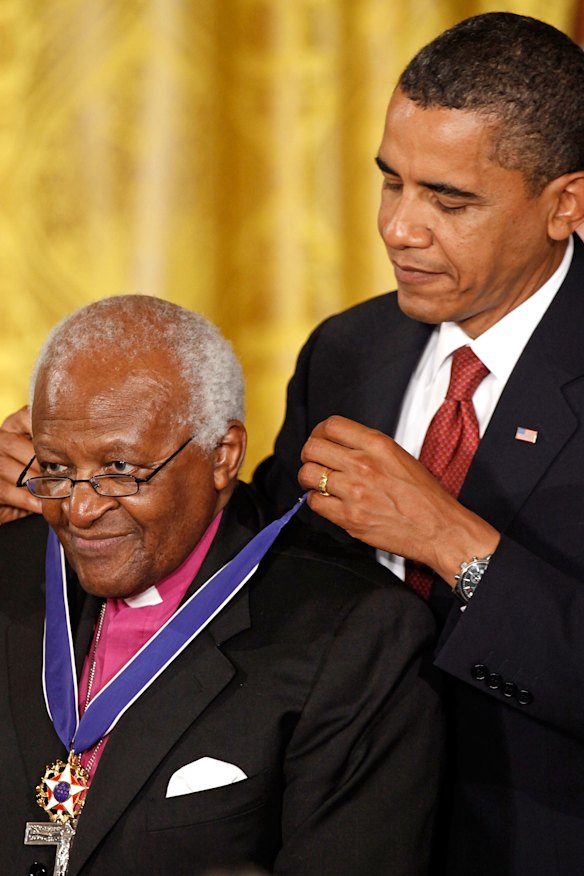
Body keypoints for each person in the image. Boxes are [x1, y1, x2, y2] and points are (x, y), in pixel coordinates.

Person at [252, 12, 584, 876]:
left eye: (449, 199)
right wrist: (104, 487)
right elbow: (268, 554)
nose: (399, 228)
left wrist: (449, 538)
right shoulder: (347, 350)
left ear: (565, 203)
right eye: (391, 182)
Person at [0, 295, 442, 876]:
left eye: (120, 471)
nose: (79, 510)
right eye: (56, 469)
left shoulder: (356, 637)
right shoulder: (10, 565)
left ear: (222, 455)